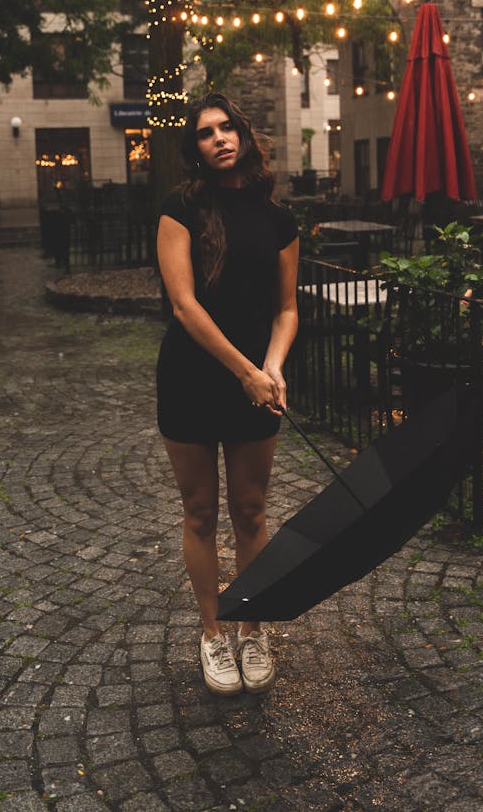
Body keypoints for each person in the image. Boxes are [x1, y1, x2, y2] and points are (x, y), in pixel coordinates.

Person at [156, 92, 299, 696]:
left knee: (251, 510)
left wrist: (272, 366)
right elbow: (184, 306)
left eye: (227, 127)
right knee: (199, 511)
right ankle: (213, 633)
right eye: (206, 133)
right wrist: (245, 370)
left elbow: (286, 308)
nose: (219, 138)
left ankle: (252, 627)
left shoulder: (277, 218)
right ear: (195, 149)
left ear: (243, 134)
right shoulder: (179, 209)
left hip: (254, 381)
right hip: (192, 377)